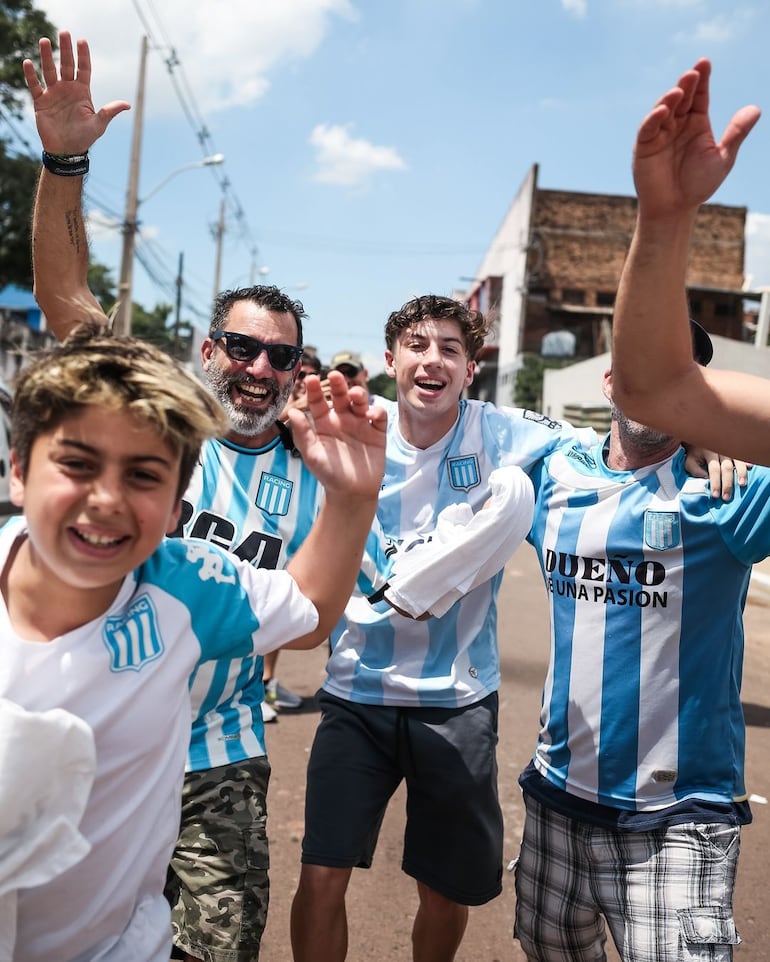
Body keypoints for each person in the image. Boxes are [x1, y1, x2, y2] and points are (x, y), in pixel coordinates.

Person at [24, 31, 344, 962]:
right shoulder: (154, 430)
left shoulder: (317, 469)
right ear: (207, 352)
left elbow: (312, 617)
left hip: (221, 757)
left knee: (218, 949)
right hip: (102, 729)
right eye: (240, 349)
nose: (257, 368)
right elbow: (66, 295)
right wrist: (66, 162)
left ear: (296, 372)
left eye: (280, 357)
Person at [0, 322, 385, 962]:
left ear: (178, 507)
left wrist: (350, 496)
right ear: (18, 470)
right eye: (76, 464)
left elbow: (310, 610)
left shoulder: (187, 587)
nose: (106, 500)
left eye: (144, 476)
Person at [289, 294, 598, 962]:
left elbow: (609, 452)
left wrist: (698, 442)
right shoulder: (358, 427)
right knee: (320, 874)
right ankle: (399, 594)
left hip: (454, 702)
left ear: (470, 366)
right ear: (391, 359)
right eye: (418, 345)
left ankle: (422, 588)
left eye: (450, 349)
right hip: (356, 692)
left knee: (444, 889)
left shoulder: (503, 432)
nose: (433, 360)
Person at [514, 320, 767, 961]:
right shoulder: (552, 474)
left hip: (680, 815)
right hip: (556, 799)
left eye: (679, 375)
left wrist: (733, 436)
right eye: (643, 369)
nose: (656, 388)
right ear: (608, 380)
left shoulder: (729, 491)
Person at [610, 58, 766, 463]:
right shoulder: (557, 463)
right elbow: (657, 391)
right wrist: (667, 214)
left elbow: (660, 392)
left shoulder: (738, 498)